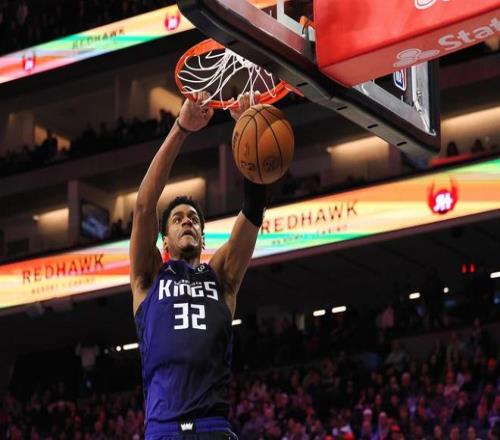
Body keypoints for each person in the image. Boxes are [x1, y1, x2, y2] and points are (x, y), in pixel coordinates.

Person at [130, 92, 267, 439]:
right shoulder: (149, 277)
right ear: (164, 242)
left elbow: (253, 211)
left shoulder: (220, 276)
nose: (187, 221)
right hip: (163, 429)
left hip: (213, 427)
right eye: (177, 219)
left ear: (204, 240)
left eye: (193, 219)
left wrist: (247, 133)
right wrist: (181, 128)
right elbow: (144, 206)